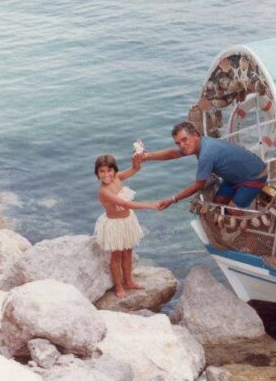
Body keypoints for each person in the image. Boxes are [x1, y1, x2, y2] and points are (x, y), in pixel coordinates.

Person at [142, 121, 267, 211]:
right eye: (178, 143)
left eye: (185, 140)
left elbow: (198, 186)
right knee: (218, 203)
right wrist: (147, 156)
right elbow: (172, 154)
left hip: (254, 176)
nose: (182, 145)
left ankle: (244, 233)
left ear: (195, 135)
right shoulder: (201, 142)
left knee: (233, 210)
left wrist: (172, 199)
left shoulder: (206, 154)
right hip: (234, 177)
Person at [94, 154, 158, 298]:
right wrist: (150, 205)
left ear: (115, 170)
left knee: (128, 253)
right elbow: (126, 204)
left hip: (127, 221)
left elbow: (135, 169)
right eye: (101, 171)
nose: (106, 174)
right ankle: (119, 286)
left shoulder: (117, 178)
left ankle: (129, 281)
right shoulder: (103, 192)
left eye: (109, 170)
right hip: (114, 226)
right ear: (97, 173)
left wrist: (137, 159)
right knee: (116, 257)